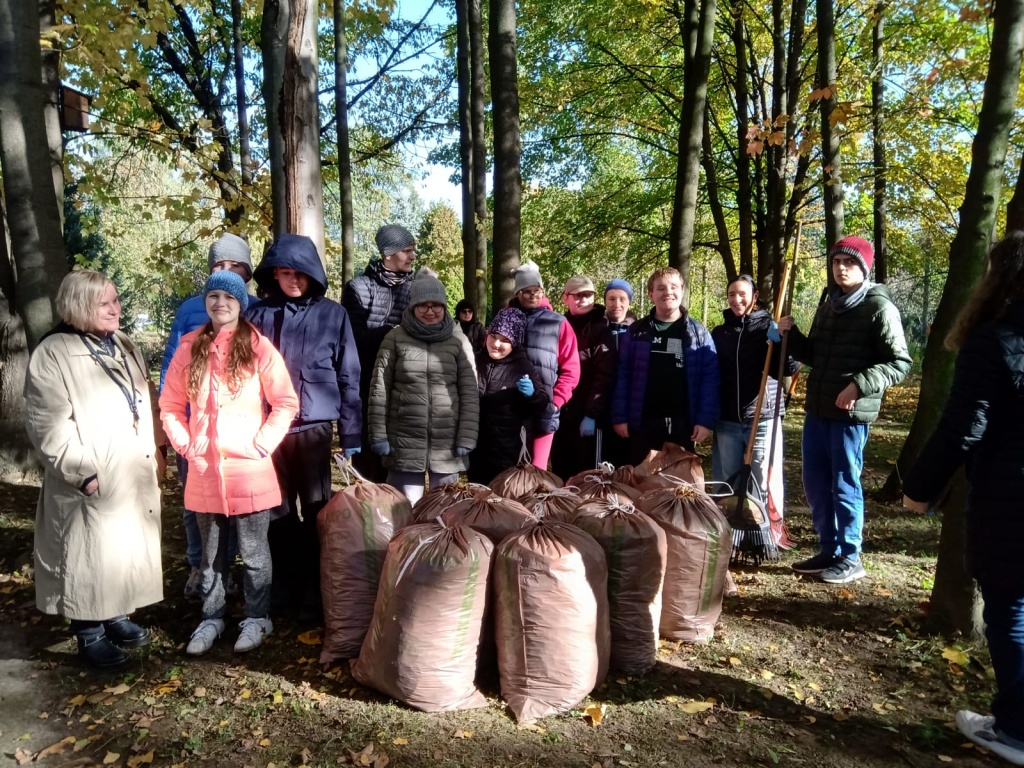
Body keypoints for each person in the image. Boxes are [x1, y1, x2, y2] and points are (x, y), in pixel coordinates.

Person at [902, 231, 1024, 763]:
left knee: (1010, 609)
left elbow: (964, 426)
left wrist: (918, 487)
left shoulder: (995, 338)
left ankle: (1017, 729)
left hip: (1010, 495)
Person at [25, 270, 163, 670]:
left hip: (129, 467)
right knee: (88, 553)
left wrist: (157, 448)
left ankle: (115, 613)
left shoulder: (121, 343)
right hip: (89, 474)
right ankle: (89, 633)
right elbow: (47, 424)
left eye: (116, 301)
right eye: (105, 304)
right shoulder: (53, 352)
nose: (115, 309)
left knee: (120, 548)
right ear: (80, 306)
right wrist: (82, 472)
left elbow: (144, 397)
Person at [161, 271, 299, 655]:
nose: (220, 302)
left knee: (255, 553)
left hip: (248, 469)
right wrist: (186, 445)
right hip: (205, 470)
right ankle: (212, 617)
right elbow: (170, 405)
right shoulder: (190, 347)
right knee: (211, 555)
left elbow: (286, 402)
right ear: (205, 301)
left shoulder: (258, 347)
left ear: (241, 304)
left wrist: (262, 444)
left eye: (229, 297)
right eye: (214, 295)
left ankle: (257, 617)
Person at [778, 236, 911, 584]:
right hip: (818, 409)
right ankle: (829, 549)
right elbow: (816, 357)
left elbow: (899, 363)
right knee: (814, 482)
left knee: (844, 483)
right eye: (837, 262)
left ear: (864, 268)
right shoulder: (828, 306)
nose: (841, 268)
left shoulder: (879, 308)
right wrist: (791, 336)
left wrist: (860, 384)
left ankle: (851, 556)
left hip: (850, 415)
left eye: (849, 263)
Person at [246, 233, 362, 622]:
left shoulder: (333, 315)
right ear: (273, 275)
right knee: (276, 512)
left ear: (312, 274)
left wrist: (351, 434)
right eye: (284, 273)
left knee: (316, 510)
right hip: (267, 431)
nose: (292, 280)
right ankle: (285, 584)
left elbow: (349, 376)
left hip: (313, 429)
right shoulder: (257, 315)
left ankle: (316, 590)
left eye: (299, 273)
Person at [160, 232, 252, 599]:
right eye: (219, 265)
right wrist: (179, 433)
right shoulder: (189, 310)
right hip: (194, 428)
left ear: (247, 271)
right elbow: (171, 368)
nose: (227, 271)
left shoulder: (254, 307)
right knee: (194, 502)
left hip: (238, 433)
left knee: (233, 504)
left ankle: (228, 568)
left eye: (235, 266)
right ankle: (198, 565)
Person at [368, 270, 479, 504]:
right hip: (403, 442)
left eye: (436, 305)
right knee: (404, 511)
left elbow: (470, 392)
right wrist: (378, 435)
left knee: (446, 511)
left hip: (447, 443)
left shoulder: (459, 340)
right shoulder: (395, 338)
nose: (430, 311)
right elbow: (380, 389)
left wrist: (466, 437)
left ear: (444, 306)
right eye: (423, 306)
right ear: (412, 307)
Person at [711, 274, 800, 525]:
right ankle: (729, 532)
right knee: (727, 480)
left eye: (742, 294)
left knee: (762, 480)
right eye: (731, 295)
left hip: (762, 418)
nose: (736, 299)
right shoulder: (720, 333)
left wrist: (782, 340)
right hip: (727, 419)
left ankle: (765, 532)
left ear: (755, 297)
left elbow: (788, 368)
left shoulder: (768, 328)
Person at [612, 266, 719, 465]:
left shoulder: (698, 333)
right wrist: (620, 417)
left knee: (678, 487)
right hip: (643, 421)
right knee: (642, 482)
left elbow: (709, 379)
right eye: (661, 288)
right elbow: (623, 375)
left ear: (683, 290)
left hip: (683, 423)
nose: (668, 292)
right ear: (651, 294)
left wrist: (704, 421)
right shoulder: (636, 332)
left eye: (673, 287)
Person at [342, 224, 417, 482]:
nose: (412, 256)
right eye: (407, 250)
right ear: (388, 254)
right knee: (370, 466)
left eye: (413, 250)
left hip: (405, 389)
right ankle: (370, 520)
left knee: (402, 465)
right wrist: (394, 330)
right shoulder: (357, 289)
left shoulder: (417, 290)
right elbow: (355, 339)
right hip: (367, 387)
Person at [507, 260, 580, 472]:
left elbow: (571, 367)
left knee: (536, 473)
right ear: (517, 292)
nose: (532, 295)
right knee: (508, 474)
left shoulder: (557, 322)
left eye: (537, 290)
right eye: (526, 291)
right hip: (509, 410)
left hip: (544, 408)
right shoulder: (505, 319)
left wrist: (557, 399)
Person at [468, 307, 550, 485]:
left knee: (505, 503)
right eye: (494, 336)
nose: (496, 344)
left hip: (509, 453)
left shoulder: (522, 366)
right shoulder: (475, 361)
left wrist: (532, 395)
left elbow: (542, 402)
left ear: (514, 342)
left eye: (504, 340)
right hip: (478, 451)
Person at [551, 276, 617, 478]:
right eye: (577, 295)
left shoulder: (601, 330)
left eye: (587, 295)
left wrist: (591, 414)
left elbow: (604, 376)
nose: (582, 300)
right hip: (562, 412)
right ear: (566, 298)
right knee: (561, 471)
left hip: (589, 418)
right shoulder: (557, 327)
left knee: (589, 475)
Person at [601, 278, 635, 467]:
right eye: (612, 299)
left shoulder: (639, 330)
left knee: (627, 463)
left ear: (629, 302)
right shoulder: (598, 329)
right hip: (601, 408)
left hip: (629, 408)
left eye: (622, 299)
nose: (617, 304)